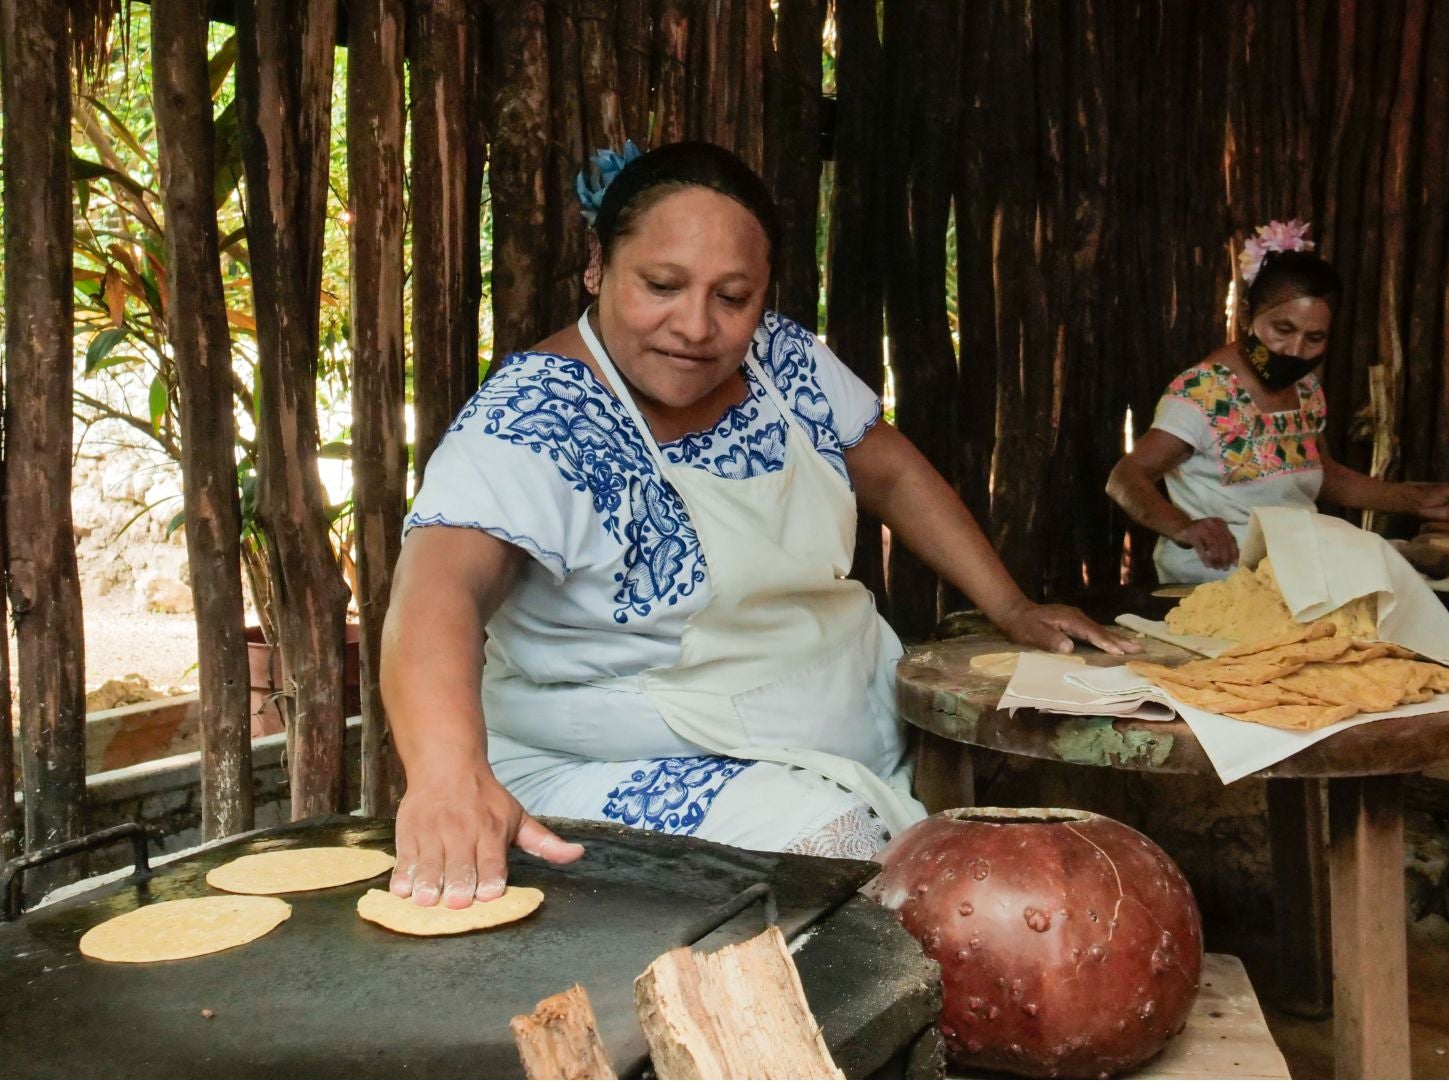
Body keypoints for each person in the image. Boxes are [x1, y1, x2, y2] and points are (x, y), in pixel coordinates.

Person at [382, 141, 1135, 908]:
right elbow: (436, 585)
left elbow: (896, 474)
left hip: (848, 724)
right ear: (596, 267)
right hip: (621, 761)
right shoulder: (537, 418)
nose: (694, 325)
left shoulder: (785, 362)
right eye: (661, 285)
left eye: (732, 297)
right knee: (851, 869)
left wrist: (1011, 606)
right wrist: (445, 775)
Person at [1106, 230, 1449, 584]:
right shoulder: (1204, 394)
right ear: (1249, 315)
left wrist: (1418, 500)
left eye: (1314, 338)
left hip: (1295, 571)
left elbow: (1323, 473)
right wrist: (1184, 528)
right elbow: (1125, 478)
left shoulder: (1304, 388)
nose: (1296, 350)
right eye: (1282, 330)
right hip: (1215, 581)